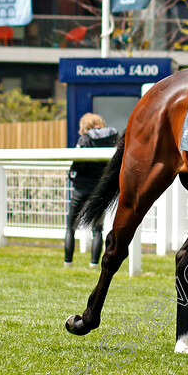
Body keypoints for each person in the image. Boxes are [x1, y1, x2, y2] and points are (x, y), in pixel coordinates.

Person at [64, 113, 118, 268]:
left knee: (71, 227)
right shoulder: (111, 138)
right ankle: (94, 263)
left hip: (82, 187)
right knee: (97, 229)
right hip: (100, 188)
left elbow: (78, 165)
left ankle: (68, 262)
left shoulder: (85, 139)